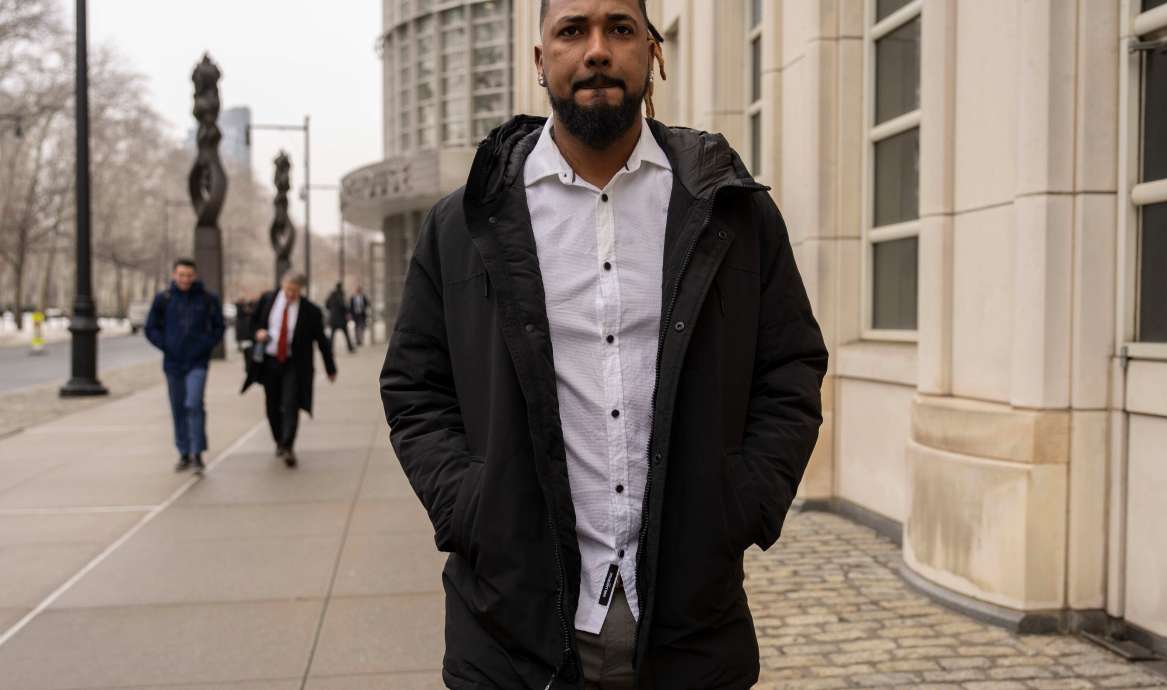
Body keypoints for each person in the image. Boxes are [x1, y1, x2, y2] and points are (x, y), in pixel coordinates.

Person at [379, 0, 828, 687]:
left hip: (691, 628)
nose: (596, 50)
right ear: (540, 61)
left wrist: (744, 500)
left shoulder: (727, 209)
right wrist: (471, 506)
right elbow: (416, 385)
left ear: (653, 51)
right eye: (571, 31)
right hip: (509, 634)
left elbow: (789, 366)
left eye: (620, 29)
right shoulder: (465, 223)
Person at [243, 273, 337, 467]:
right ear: (282, 285)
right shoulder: (267, 300)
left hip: (295, 364)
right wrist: (257, 332)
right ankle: (278, 439)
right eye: (288, 289)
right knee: (272, 404)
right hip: (269, 361)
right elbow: (252, 323)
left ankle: (288, 445)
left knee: (291, 403)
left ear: (301, 290)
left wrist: (330, 367)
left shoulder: (310, 311)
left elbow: (322, 340)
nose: (290, 294)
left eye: (295, 291)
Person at [145, 258, 225, 474]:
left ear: (195, 276)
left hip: (198, 362)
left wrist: (206, 345)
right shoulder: (164, 299)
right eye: (181, 275)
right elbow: (150, 328)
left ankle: (197, 452)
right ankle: (184, 452)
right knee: (178, 407)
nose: (185, 279)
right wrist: (165, 345)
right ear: (174, 275)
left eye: (189, 275)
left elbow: (219, 327)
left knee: (194, 403)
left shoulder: (207, 299)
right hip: (173, 363)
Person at [325, 282, 354, 354]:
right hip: (341, 319)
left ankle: (329, 349)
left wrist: (332, 310)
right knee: (346, 334)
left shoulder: (332, 295)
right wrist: (347, 310)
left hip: (333, 318)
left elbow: (327, 305)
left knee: (332, 336)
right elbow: (343, 306)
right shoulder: (340, 295)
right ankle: (350, 348)